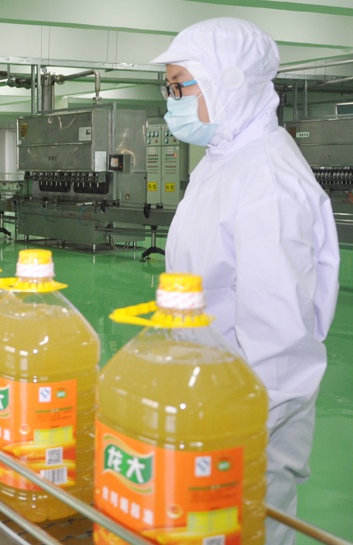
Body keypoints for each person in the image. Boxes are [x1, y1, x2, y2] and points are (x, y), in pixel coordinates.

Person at [151, 18, 340, 545]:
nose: (171, 103)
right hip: (208, 394)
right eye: (168, 89)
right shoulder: (222, 161)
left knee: (244, 530)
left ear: (226, 81)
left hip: (247, 421)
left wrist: (233, 430)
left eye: (179, 86)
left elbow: (279, 346)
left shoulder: (268, 182)